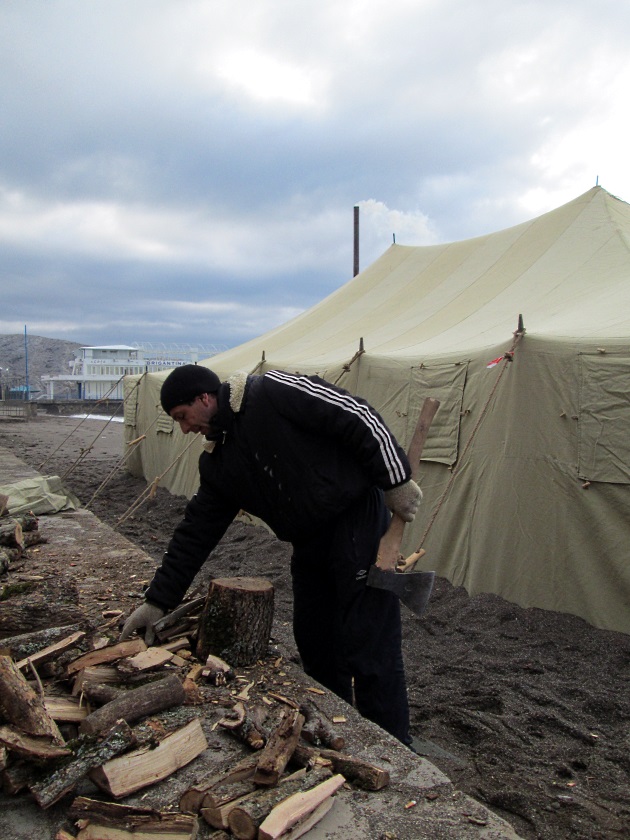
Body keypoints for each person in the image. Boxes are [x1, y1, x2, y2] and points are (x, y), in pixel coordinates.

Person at [121, 364, 422, 745]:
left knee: (369, 639)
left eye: (183, 417)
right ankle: (335, 728)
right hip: (309, 541)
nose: (183, 429)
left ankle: (392, 742)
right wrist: (158, 601)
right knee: (315, 639)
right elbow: (194, 534)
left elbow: (356, 414)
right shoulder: (219, 463)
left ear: (204, 398)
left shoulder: (270, 392)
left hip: (355, 520)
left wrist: (395, 480)